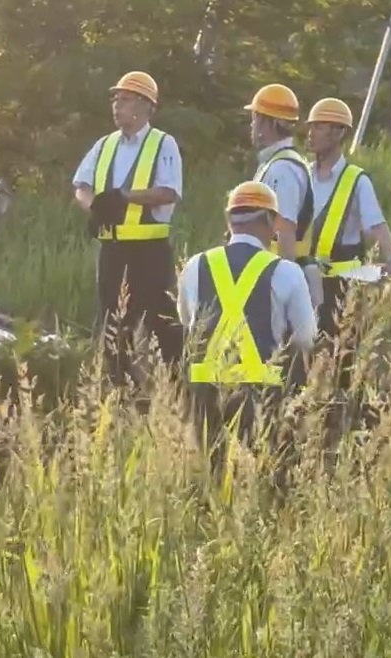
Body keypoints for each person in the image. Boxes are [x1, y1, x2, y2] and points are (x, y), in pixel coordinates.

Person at [179, 181, 318, 489]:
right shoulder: (287, 271)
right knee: (267, 485)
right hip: (261, 397)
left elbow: (188, 324)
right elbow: (306, 338)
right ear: (269, 220)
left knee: (212, 484)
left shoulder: (195, 266)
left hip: (205, 396)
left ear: (230, 221)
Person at [72, 71, 185, 389]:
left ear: (144, 105)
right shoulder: (104, 145)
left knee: (162, 328)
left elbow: (169, 192)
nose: (116, 105)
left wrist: (124, 197)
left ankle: (174, 393)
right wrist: (95, 207)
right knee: (113, 329)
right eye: (115, 99)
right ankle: (119, 394)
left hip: (150, 255)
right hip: (113, 254)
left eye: (124, 99)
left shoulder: (163, 143)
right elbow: (81, 187)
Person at [303, 98, 391, 387]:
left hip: (342, 290)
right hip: (304, 282)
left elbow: (377, 227)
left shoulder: (356, 181)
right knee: (299, 363)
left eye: (318, 126)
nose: (310, 133)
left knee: (342, 364)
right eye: (310, 126)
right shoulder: (302, 175)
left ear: (338, 133)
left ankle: (343, 410)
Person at [244, 83, 313, 262]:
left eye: (256, 118)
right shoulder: (275, 163)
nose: (252, 125)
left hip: (273, 267)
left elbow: (285, 231)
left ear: (271, 123)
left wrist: (285, 275)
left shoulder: (282, 169)